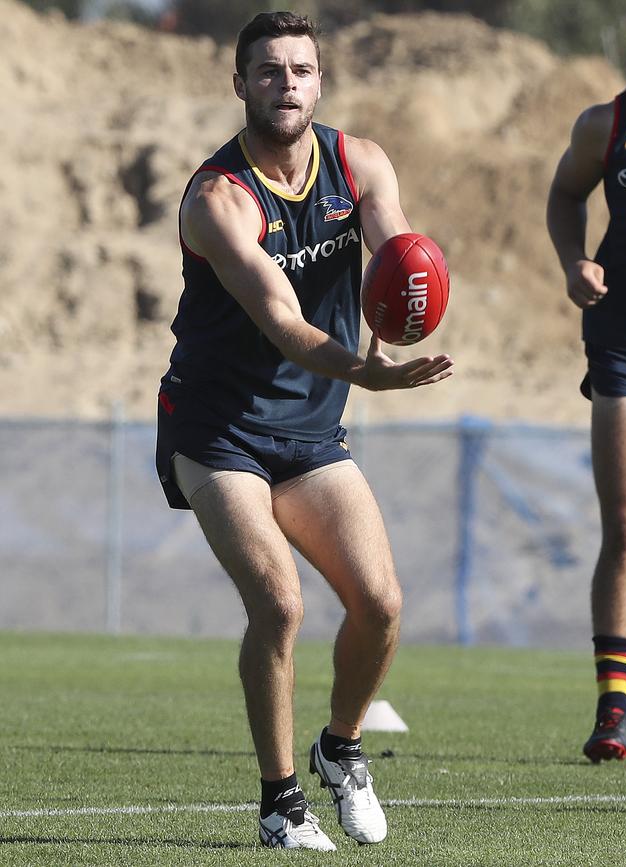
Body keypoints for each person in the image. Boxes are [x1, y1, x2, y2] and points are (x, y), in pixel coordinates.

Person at [155, 10, 453, 850]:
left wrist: (401, 307)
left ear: (320, 81)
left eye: (300, 70)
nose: (286, 83)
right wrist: (366, 370)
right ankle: (279, 801)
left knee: (383, 603)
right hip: (216, 431)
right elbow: (282, 321)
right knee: (279, 603)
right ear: (240, 83)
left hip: (310, 430)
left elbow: (397, 248)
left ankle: (342, 747)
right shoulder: (217, 198)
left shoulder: (359, 161)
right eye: (268, 70)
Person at [547, 74, 626, 763]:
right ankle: (613, 706)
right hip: (623, 340)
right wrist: (574, 261)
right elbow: (564, 196)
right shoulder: (606, 124)